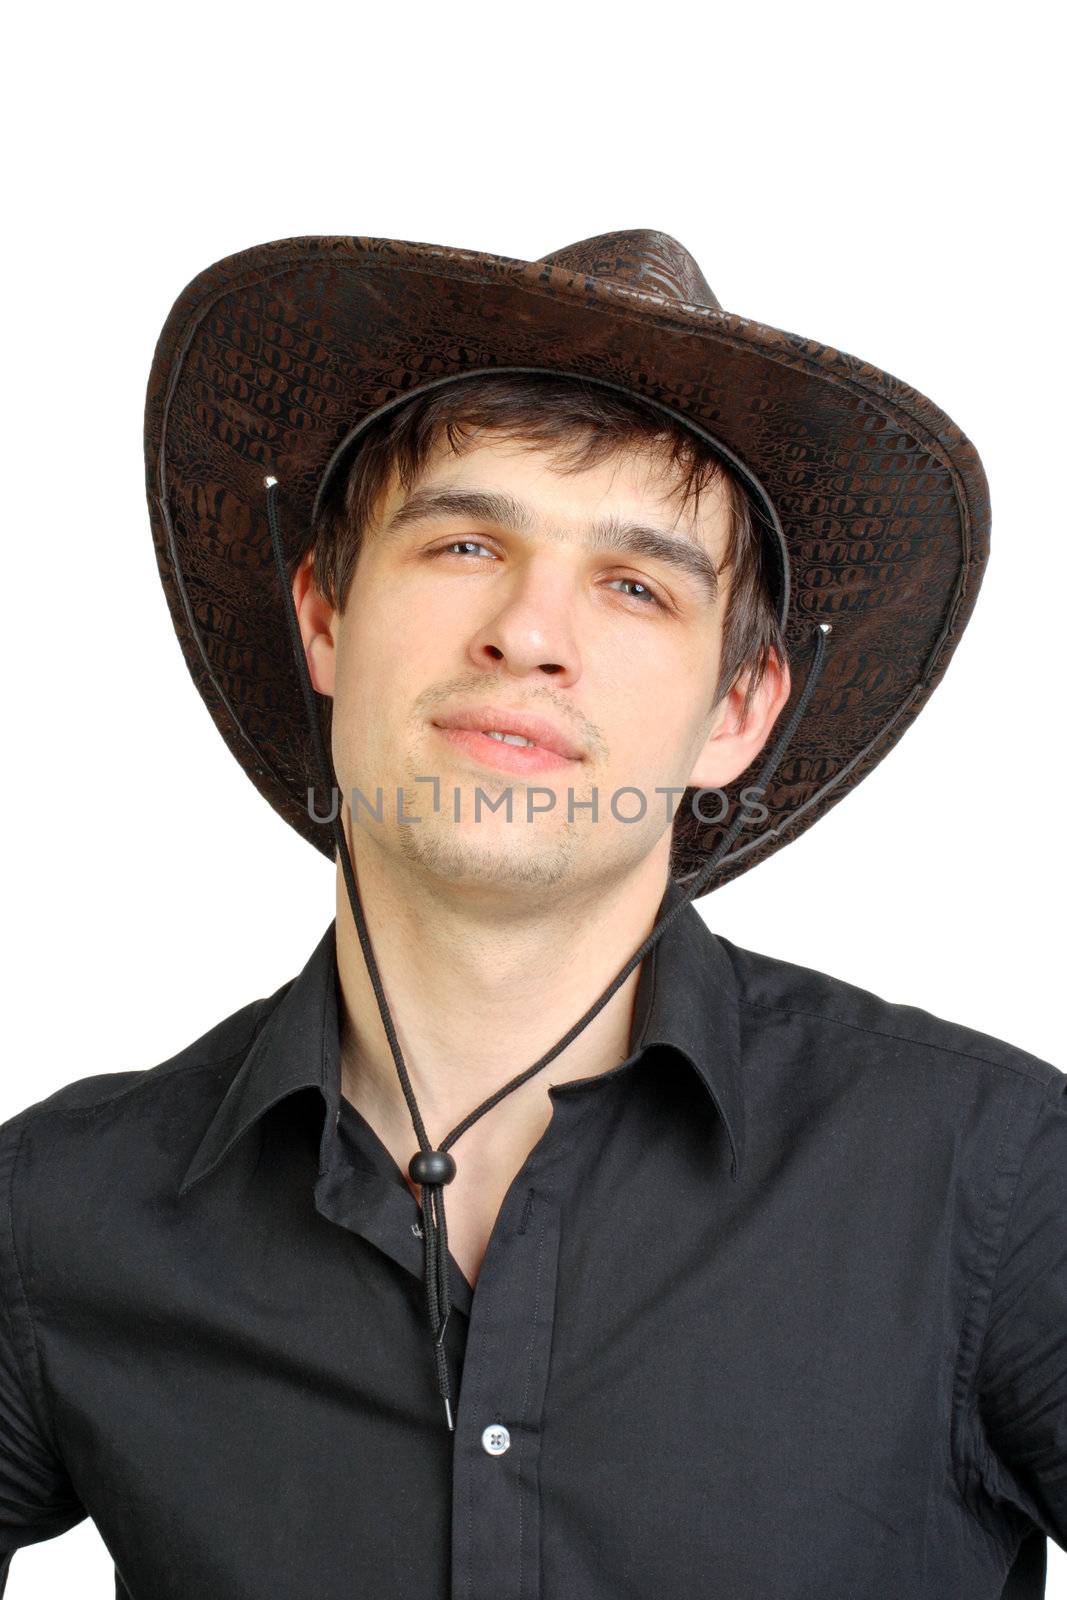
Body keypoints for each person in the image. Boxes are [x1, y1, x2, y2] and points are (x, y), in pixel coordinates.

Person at [1, 228, 1062, 1599]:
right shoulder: (59, 1217)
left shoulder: (1000, 1181)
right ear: (324, 615)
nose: (528, 631)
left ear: (736, 714)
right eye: (462, 541)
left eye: (635, 585)